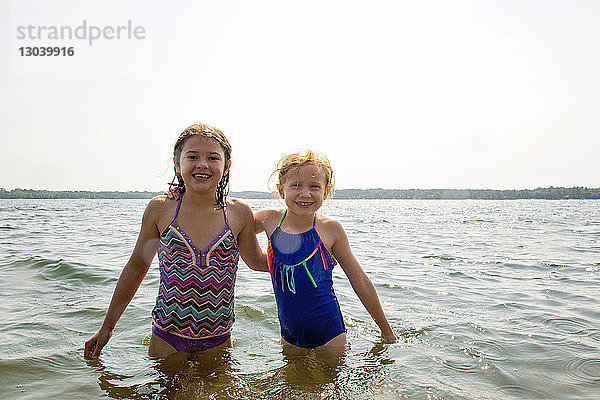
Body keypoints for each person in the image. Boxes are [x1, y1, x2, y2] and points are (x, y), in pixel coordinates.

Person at [84, 123, 267, 359]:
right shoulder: (161, 209)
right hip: (167, 336)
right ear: (177, 163)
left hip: (218, 337)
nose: (202, 164)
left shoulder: (238, 212)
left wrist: (293, 234)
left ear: (227, 165)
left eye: (213, 158)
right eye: (192, 157)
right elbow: (136, 266)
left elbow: (258, 262)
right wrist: (107, 327)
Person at [254, 150, 396, 350]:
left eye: (314, 186)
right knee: (291, 381)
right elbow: (233, 230)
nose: (305, 194)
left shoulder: (330, 229)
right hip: (289, 336)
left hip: (330, 335)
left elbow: (359, 280)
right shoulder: (268, 220)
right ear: (281, 190)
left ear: (326, 191)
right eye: (296, 185)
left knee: (331, 381)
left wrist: (386, 331)